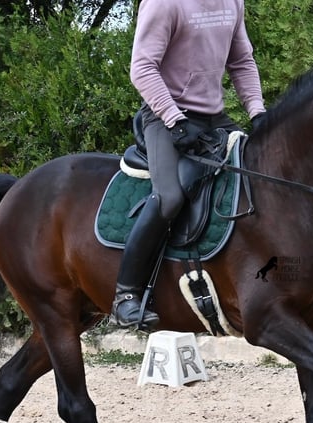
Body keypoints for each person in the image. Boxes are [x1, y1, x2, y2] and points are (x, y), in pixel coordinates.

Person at [111, 0, 267, 328]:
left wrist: (257, 111)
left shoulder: (232, 2)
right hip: (164, 117)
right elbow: (141, 67)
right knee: (170, 196)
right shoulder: (164, 4)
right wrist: (173, 119)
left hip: (214, 118)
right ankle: (127, 294)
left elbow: (241, 60)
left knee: (258, 176)